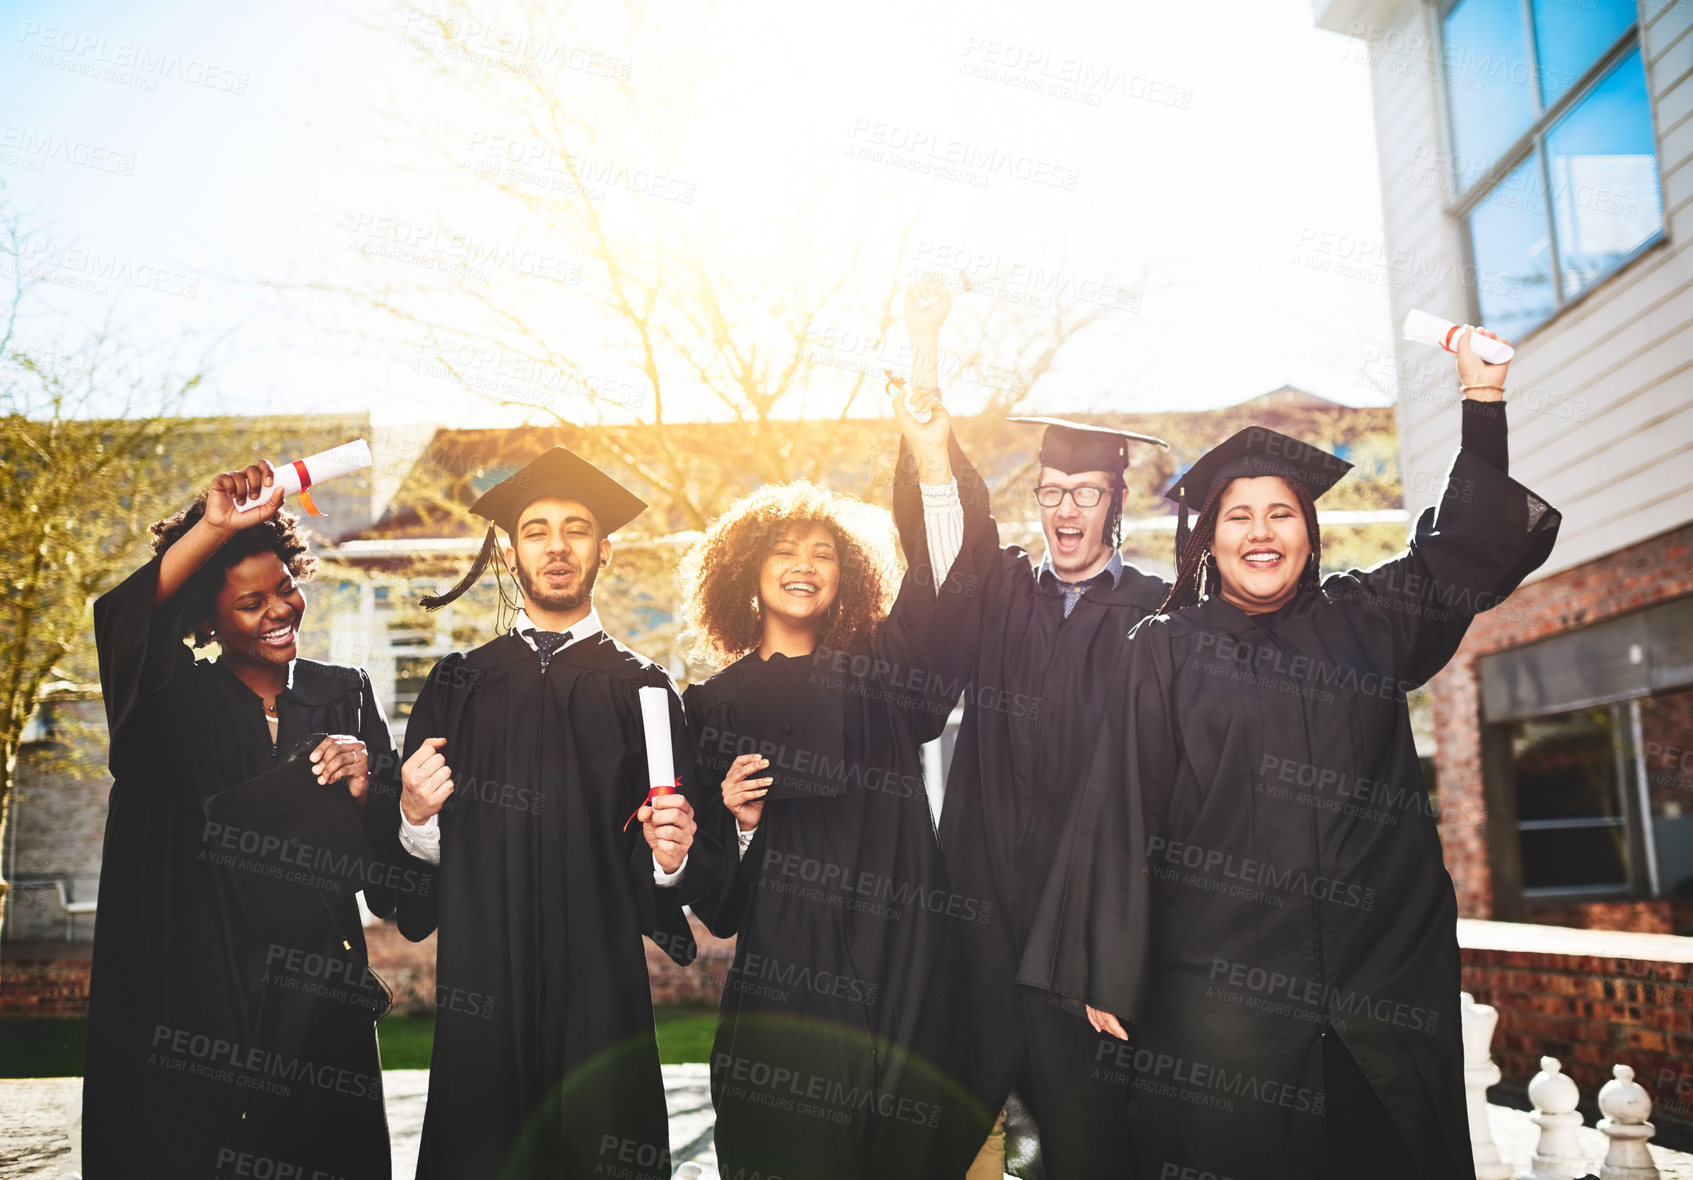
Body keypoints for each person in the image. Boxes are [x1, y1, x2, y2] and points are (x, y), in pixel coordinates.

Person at [1017, 330, 1560, 1178]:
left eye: (1281, 513)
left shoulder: (1367, 620)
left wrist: (1481, 402)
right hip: (1222, 993)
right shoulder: (1165, 647)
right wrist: (1103, 966)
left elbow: (1465, 545)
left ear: (1308, 531)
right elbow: (1121, 803)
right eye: (1238, 515)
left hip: (1379, 976)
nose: (1260, 531)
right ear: (1208, 539)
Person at [376, 446, 727, 1180]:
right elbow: (406, 877)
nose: (557, 545)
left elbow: (680, 867)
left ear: (606, 548)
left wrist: (670, 861)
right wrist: (412, 817)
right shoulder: (459, 685)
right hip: (484, 982)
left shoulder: (645, 690)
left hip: (598, 985)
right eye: (536, 529)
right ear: (511, 550)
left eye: (576, 528)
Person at [887, 278, 1170, 1175]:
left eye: (1085, 492)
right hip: (978, 912)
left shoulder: (1159, 614)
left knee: (1091, 1146)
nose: (1064, 510)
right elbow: (946, 525)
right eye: (1051, 491)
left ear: (1115, 502)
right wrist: (922, 360)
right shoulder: (1003, 589)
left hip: (1090, 931)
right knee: (938, 1136)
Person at [87, 461, 396, 1178]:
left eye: (285, 588)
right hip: (198, 988)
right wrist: (213, 527)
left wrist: (366, 788)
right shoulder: (172, 707)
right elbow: (125, 622)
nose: (279, 611)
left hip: (317, 983)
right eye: (250, 603)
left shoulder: (342, 692)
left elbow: (388, 853)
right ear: (205, 620)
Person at [680, 480, 995, 1180]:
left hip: (902, 953)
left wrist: (931, 459)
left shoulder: (884, 674)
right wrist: (733, 823)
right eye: (783, 551)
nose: (803, 564)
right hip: (786, 974)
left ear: (845, 575)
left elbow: (944, 588)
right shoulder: (709, 706)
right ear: (747, 573)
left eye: (822, 553)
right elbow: (717, 906)